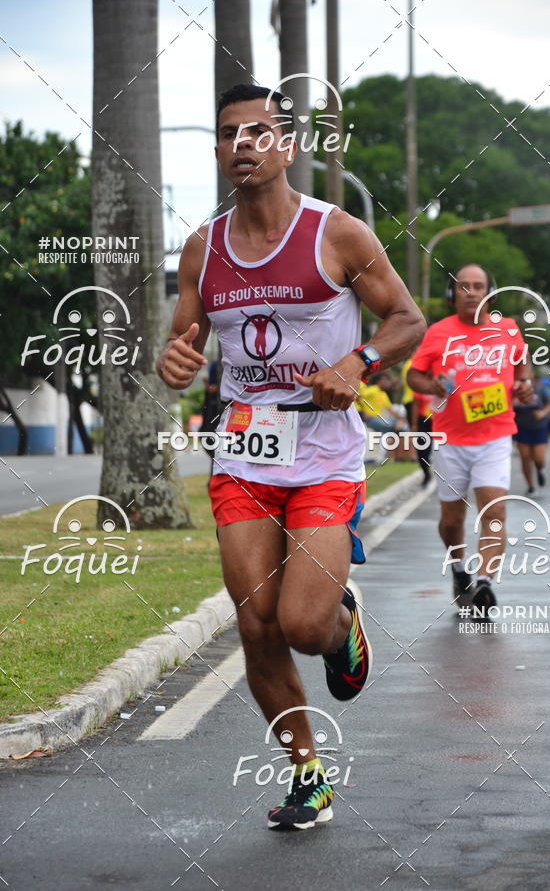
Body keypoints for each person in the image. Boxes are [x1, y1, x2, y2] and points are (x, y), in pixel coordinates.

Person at [156, 84, 425, 831]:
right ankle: (309, 773)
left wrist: (358, 362)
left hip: (324, 457)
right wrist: (173, 362)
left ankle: (342, 622)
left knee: (304, 625)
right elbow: (184, 343)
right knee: (256, 625)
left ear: (288, 146)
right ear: (217, 153)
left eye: (258, 132)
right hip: (243, 454)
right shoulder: (201, 249)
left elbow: (407, 318)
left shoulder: (336, 233)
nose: (242, 143)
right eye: (228, 134)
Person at [407, 264, 533, 615]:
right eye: (464, 286)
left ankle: (485, 583)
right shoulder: (438, 333)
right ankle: (460, 569)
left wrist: (524, 384)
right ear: (454, 294)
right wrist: (430, 385)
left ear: (489, 293)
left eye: (479, 286)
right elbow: (414, 376)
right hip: (451, 440)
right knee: (451, 520)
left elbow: (523, 367)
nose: (472, 292)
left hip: (494, 436)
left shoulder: (508, 330)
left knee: (494, 511)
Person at [513, 376, 550, 494]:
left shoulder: (540, 389)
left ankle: (540, 470)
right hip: (522, 427)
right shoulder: (514, 390)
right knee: (525, 457)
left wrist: (542, 413)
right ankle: (530, 485)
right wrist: (512, 404)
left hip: (539, 427)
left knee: (539, 458)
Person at [411, 390, 433, 486]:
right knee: (421, 449)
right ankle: (426, 474)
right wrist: (414, 424)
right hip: (423, 420)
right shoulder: (420, 388)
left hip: (439, 420)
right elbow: (415, 406)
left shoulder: (442, 384)